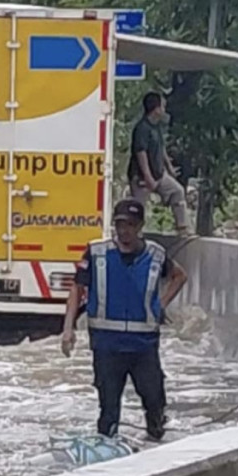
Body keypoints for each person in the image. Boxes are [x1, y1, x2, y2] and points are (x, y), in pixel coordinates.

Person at [61, 199, 188, 441]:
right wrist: (68, 330)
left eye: (130, 225)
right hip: (107, 344)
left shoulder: (156, 254)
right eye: (120, 224)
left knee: (154, 400)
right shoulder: (97, 252)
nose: (124, 231)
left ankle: (155, 441)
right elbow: (77, 289)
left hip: (144, 344)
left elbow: (180, 276)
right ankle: (108, 449)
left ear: (140, 225)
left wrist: (160, 304)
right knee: (108, 406)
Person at [128, 92, 191, 236]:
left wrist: (169, 167)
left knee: (177, 191)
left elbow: (161, 148)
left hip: (159, 174)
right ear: (155, 109)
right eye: (162, 106)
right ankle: (134, 235)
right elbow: (141, 152)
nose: (164, 109)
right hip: (142, 177)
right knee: (138, 208)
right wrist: (147, 176)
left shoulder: (156, 127)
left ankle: (182, 228)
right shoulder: (142, 128)